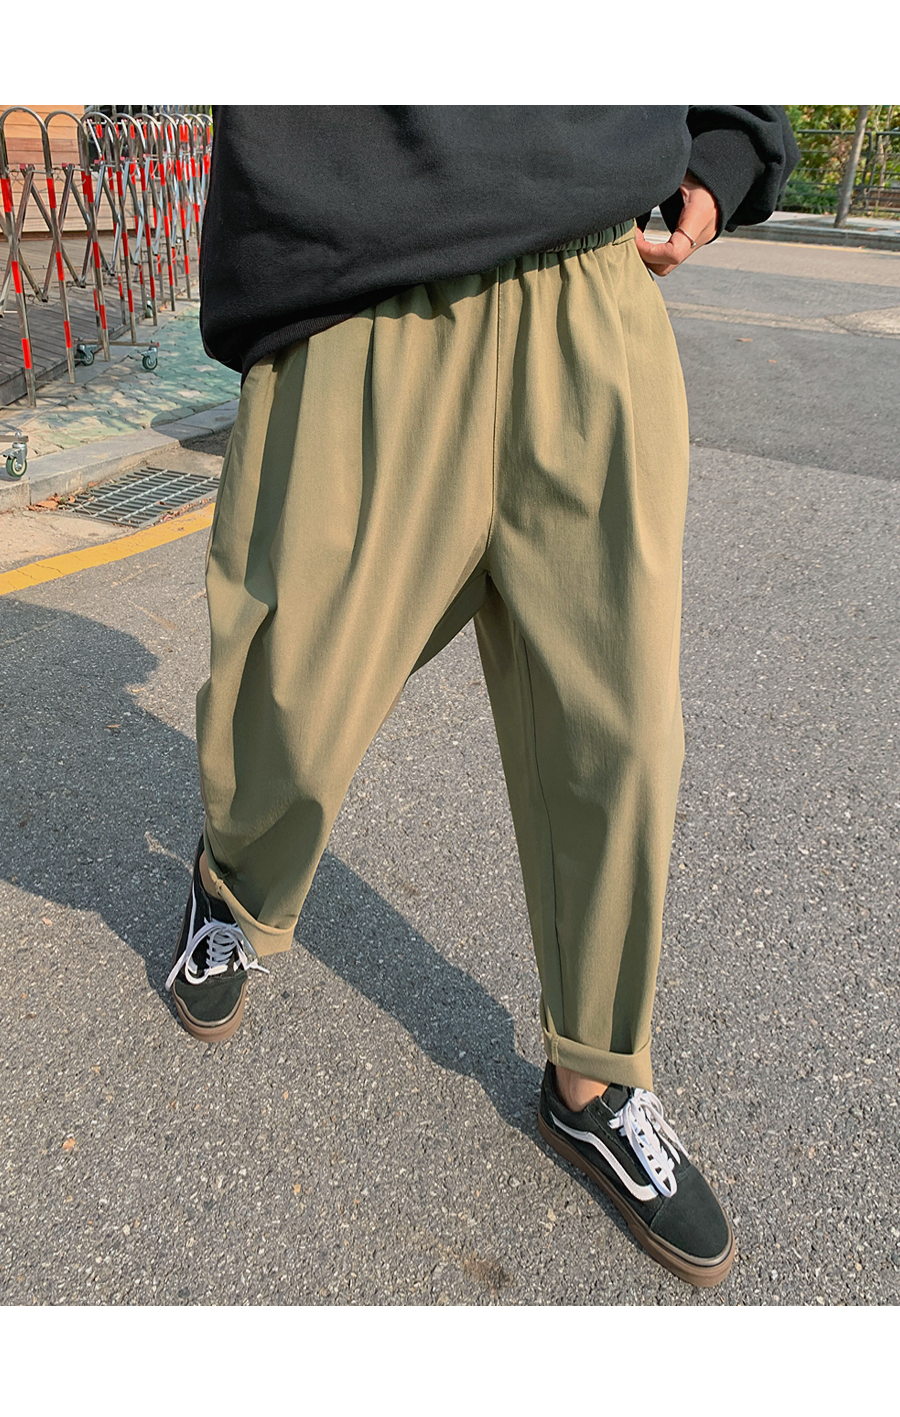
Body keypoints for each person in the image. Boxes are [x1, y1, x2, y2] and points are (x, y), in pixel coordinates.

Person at [166, 106, 798, 1288]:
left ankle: (595, 1078)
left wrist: (730, 145)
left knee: (617, 732)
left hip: (591, 286)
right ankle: (232, 881)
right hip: (365, 289)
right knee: (293, 696)